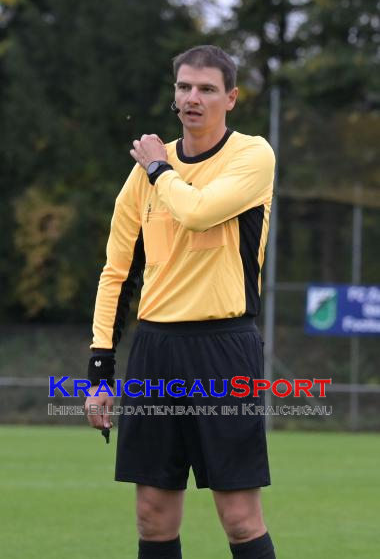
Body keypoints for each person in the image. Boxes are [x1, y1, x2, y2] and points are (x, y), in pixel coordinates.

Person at [85, 45, 276, 559]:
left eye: (207, 89)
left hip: (224, 348)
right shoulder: (144, 175)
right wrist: (101, 369)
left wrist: (157, 168)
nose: (193, 98)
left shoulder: (251, 156)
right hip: (155, 351)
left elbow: (198, 211)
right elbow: (116, 273)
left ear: (231, 98)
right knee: (152, 518)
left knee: (239, 519)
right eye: (184, 87)